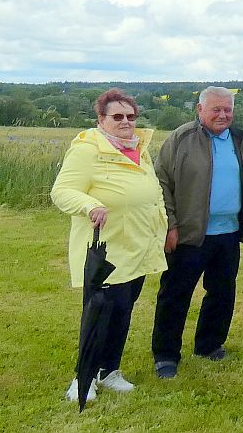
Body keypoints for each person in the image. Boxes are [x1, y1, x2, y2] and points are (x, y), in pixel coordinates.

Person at [51, 88, 167, 402]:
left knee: (122, 312)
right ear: (101, 119)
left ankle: (110, 371)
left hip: (138, 246)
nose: (126, 121)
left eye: (130, 116)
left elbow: (152, 193)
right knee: (98, 313)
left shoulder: (139, 149)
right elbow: (61, 192)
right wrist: (89, 205)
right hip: (105, 250)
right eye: (117, 116)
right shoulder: (87, 150)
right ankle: (83, 379)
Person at [150, 86, 243, 379]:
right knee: (175, 294)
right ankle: (166, 355)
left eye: (227, 109)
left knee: (222, 291)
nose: (223, 115)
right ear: (200, 110)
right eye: (216, 109)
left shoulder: (240, 139)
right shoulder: (182, 138)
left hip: (229, 232)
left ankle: (209, 344)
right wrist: (170, 225)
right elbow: (161, 182)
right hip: (189, 233)